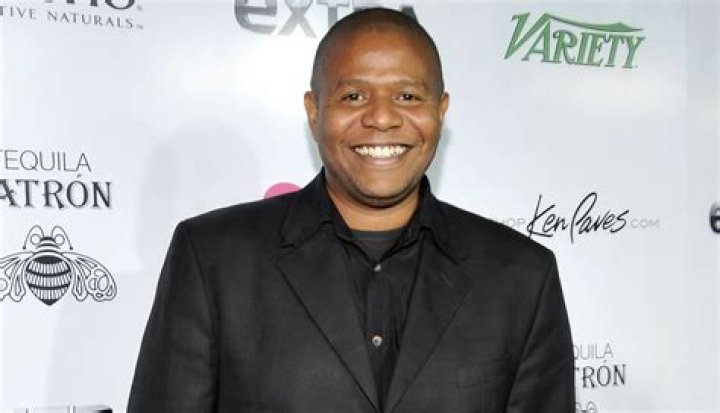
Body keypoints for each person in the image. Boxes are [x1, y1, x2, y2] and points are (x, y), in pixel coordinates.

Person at [128, 8, 574, 412]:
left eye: (408, 96)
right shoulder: (214, 259)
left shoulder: (521, 276)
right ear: (314, 112)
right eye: (354, 96)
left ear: (440, 112)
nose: (381, 117)